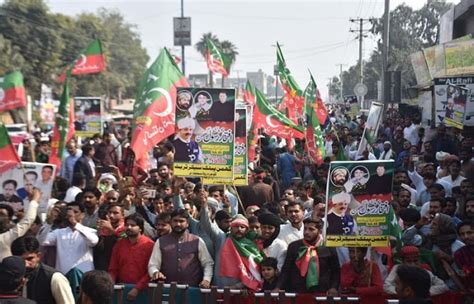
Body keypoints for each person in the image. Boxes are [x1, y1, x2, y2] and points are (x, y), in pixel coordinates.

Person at [148, 209, 214, 287]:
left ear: (187, 223)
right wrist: (155, 273)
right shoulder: (160, 241)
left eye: (181, 221)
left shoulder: (197, 241)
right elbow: (153, 265)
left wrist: (206, 279)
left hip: (192, 289)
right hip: (167, 288)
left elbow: (207, 263)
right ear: (171, 222)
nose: (178, 224)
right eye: (175, 221)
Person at [277, 218, 340, 294]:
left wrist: (333, 287)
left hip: (322, 291)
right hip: (298, 292)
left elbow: (335, 271)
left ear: (319, 231)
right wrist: (278, 287)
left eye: (311, 229)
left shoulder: (328, 247)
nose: (306, 232)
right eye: (305, 229)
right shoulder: (294, 247)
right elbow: (286, 270)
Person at [11, 236, 75, 304]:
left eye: (30, 259)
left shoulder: (55, 278)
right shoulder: (10, 276)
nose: (26, 264)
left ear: (38, 256)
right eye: (21, 260)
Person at [41, 201, 99, 276]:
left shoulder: (90, 231)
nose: (71, 215)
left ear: (82, 215)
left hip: (84, 276)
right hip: (63, 276)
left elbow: (94, 241)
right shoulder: (58, 232)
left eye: (75, 212)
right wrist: (48, 223)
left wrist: (75, 224)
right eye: (69, 212)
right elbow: (41, 241)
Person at [108, 213, 154, 302]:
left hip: (144, 291)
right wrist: (111, 285)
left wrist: (137, 288)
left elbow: (151, 271)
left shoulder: (150, 245)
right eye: (127, 225)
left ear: (140, 228)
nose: (128, 227)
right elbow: (113, 269)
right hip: (122, 289)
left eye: (133, 225)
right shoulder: (119, 245)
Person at [384, 246, 448, 296]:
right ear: (402, 262)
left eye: (415, 261)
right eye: (409, 261)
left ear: (419, 260)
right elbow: (386, 286)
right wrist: (403, 293)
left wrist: (421, 293)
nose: (413, 264)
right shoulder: (397, 269)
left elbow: (443, 286)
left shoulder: (424, 270)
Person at [0, 189, 40, 260]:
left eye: (2, 214)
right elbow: (28, 219)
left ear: (9, 219)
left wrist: (33, 201)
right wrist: (35, 200)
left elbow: (28, 220)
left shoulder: (7, 237)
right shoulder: (6, 237)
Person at [454, 220, 474, 297]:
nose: (466, 237)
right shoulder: (459, 254)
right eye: (462, 234)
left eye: (470, 233)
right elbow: (465, 276)